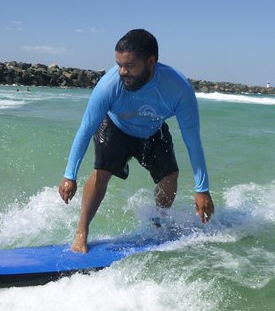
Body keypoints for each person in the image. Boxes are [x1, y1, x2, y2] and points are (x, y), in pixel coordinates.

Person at [58, 29, 214, 253]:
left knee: (170, 176)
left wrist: (202, 189)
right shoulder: (108, 86)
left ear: (151, 62)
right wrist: (69, 176)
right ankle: (81, 232)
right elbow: (85, 129)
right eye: (119, 64)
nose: (122, 72)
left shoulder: (178, 89)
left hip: (153, 130)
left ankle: (158, 226)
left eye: (129, 65)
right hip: (115, 127)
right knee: (102, 172)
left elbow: (193, 141)